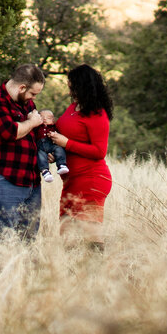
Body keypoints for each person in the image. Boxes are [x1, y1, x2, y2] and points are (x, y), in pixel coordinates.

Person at [46, 64, 113, 247]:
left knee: (91, 236)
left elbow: (99, 152)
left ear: (82, 86)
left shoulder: (97, 114)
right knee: (67, 235)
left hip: (91, 179)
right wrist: (54, 153)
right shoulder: (73, 108)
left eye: (72, 85)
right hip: (71, 181)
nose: (69, 89)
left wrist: (66, 143)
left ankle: (95, 274)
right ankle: (73, 274)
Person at [0, 64, 47, 241]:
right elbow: (10, 132)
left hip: (32, 181)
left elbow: (33, 132)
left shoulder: (26, 102)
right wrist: (31, 123)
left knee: (28, 239)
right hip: (6, 179)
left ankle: (25, 270)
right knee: (5, 238)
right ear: (22, 87)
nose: (33, 98)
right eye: (33, 94)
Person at [36, 109, 69, 183]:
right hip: (41, 147)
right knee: (40, 155)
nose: (44, 119)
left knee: (59, 149)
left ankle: (61, 165)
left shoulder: (54, 127)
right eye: (41, 117)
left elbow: (60, 135)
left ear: (53, 120)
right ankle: (45, 171)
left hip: (52, 145)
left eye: (48, 118)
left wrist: (54, 135)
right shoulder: (37, 128)